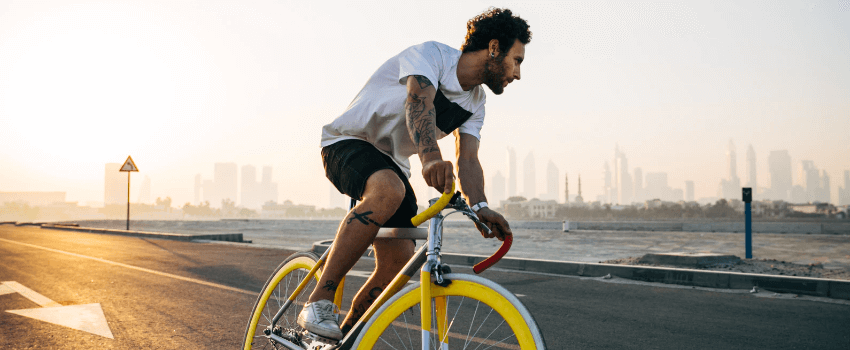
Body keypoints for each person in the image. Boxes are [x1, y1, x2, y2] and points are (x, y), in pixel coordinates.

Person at [298, 7, 531, 340]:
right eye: (517, 60)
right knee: (389, 190)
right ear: (494, 48)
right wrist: (431, 159)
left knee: (399, 265)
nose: (518, 74)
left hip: (392, 165)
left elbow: (468, 159)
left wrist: (480, 207)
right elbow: (418, 103)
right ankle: (318, 302)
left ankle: (344, 340)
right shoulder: (432, 56)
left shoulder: (476, 103)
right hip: (346, 143)